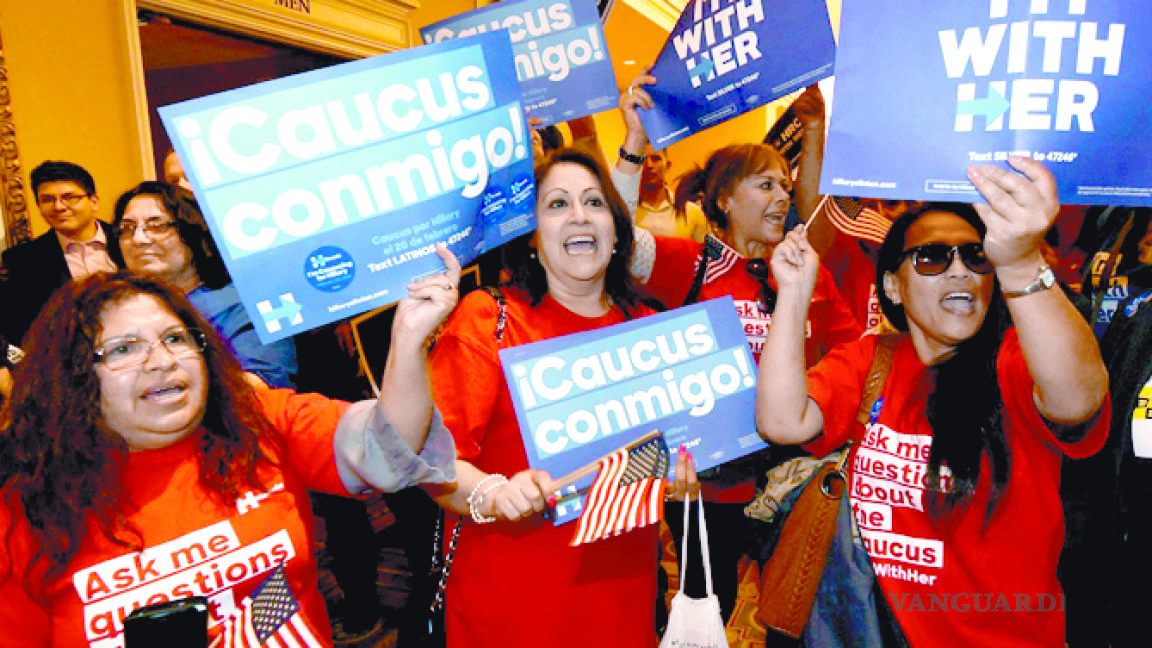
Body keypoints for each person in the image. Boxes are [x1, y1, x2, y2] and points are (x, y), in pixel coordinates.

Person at [0, 254, 460, 647]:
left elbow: (387, 449)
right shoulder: (28, 512)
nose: (162, 360)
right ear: (76, 377)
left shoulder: (256, 421)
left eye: (176, 338)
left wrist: (408, 339)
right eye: (124, 349)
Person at [756, 156, 1110, 646]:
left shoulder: (1012, 362)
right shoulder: (871, 361)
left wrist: (1020, 259)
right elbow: (781, 422)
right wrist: (794, 294)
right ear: (893, 288)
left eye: (976, 255)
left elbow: (1078, 399)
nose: (960, 270)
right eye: (932, 258)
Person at [613, 74, 862, 622]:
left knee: (793, 612)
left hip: (794, 479)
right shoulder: (691, 264)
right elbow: (614, 242)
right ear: (725, 198)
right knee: (708, 613)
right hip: (709, 488)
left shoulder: (803, 274)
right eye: (764, 185)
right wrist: (632, 148)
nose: (781, 197)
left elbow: (854, 353)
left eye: (783, 184)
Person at [424, 147, 673, 648]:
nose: (579, 215)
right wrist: (494, 493)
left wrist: (687, 471)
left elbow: (681, 451)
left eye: (595, 202)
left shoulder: (650, 330)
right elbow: (433, 464)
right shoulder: (488, 320)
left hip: (622, 599)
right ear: (532, 237)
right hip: (513, 605)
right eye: (557, 204)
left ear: (616, 229)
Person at [109, 181, 297, 389]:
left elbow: (260, 385)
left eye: (157, 226)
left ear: (192, 233)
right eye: (127, 228)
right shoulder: (113, 308)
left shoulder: (252, 302)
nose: (138, 239)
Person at [1, 160, 120, 345]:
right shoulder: (21, 260)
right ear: (39, 207)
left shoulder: (126, 241)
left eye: (69, 197)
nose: (59, 207)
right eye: (48, 200)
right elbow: (16, 327)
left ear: (93, 201)